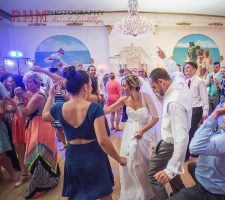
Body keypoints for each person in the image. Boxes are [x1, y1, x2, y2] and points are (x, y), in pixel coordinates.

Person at [42, 66, 126, 200]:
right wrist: (119, 159)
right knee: (104, 195)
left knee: (79, 195)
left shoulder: (59, 108)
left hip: (73, 157)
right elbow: (103, 141)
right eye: (91, 85)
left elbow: (45, 116)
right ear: (86, 87)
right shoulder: (94, 108)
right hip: (94, 155)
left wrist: (51, 96)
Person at [169, 101, 225, 200]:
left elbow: (194, 148)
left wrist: (215, 114)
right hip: (217, 182)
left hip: (210, 191)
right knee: (191, 166)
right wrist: (223, 105)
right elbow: (223, 119)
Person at [104, 74, 161, 200]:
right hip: (129, 132)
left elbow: (156, 117)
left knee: (141, 160)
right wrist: (91, 107)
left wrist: (142, 130)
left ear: (132, 85)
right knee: (128, 159)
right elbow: (108, 110)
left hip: (143, 132)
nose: (122, 88)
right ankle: (131, 189)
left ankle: (145, 189)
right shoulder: (124, 99)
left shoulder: (146, 97)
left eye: (124, 85)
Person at [148, 67, 192, 200]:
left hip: (170, 144)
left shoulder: (174, 102)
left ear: (161, 82)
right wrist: (165, 58)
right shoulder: (179, 83)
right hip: (170, 142)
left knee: (153, 175)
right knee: (174, 174)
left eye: (154, 87)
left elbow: (181, 138)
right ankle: (180, 195)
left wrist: (171, 168)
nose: (154, 91)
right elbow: (177, 72)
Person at [15, 71, 60, 199]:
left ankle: (40, 185)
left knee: (38, 155)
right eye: (25, 82)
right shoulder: (41, 92)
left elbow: (24, 112)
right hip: (40, 125)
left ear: (36, 82)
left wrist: (18, 97)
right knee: (41, 154)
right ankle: (49, 178)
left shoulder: (39, 96)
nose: (26, 84)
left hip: (39, 127)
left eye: (28, 82)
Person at [183, 61, 209, 160]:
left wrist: (205, 112)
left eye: (188, 67)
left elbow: (204, 97)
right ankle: (193, 151)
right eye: (185, 68)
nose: (186, 69)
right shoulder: (185, 81)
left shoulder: (199, 81)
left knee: (190, 131)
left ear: (194, 69)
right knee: (188, 131)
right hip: (187, 109)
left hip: (196, 109)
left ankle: (186, 154)